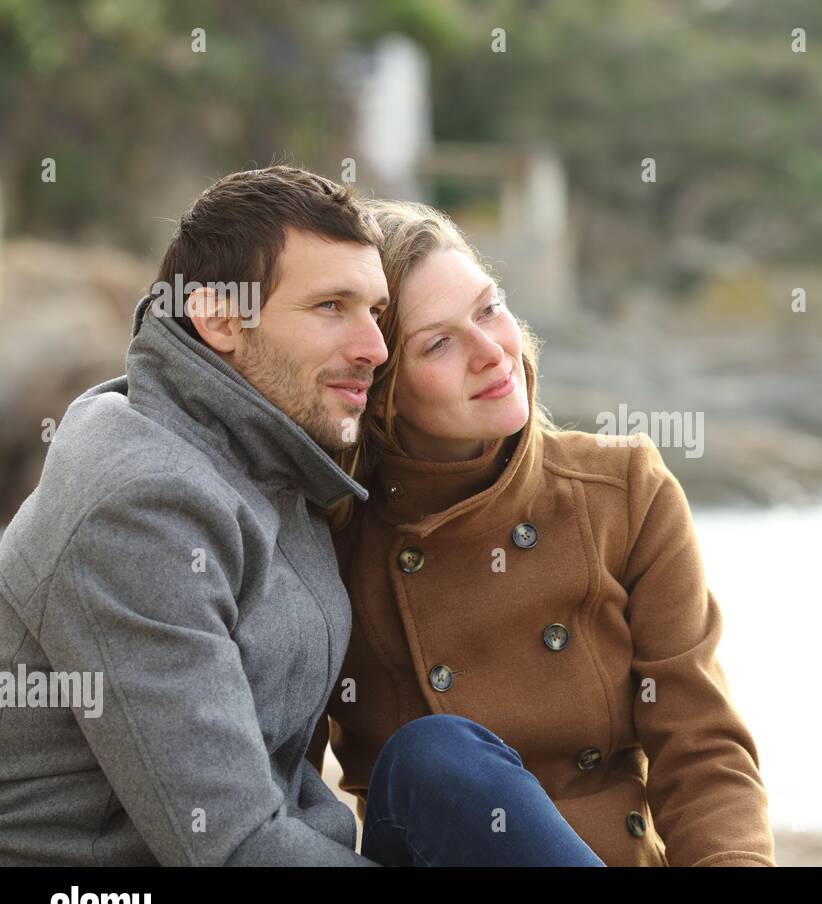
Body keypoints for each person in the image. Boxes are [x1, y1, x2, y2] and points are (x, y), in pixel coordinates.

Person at [0, 166, 601, 867]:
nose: (375, 350)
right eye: (330, 308)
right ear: (220, 317)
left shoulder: (272, 461)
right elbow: (232, 848)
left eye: (375, 313)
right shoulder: (139, 509)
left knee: (438, 764)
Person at [309, 199, 776, 866]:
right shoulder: (328, 535)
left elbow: (702, 750)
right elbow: (282, 785)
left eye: (488, 308)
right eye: (439, 342)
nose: (490, 351)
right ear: (382, 393)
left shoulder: (625, 494)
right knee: (436, 756)